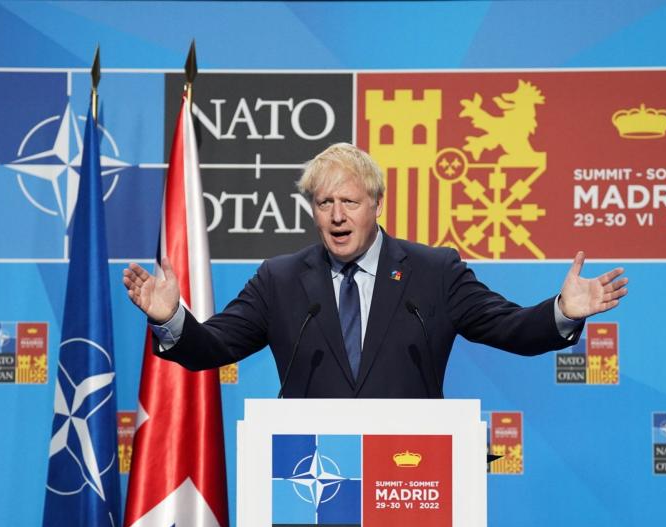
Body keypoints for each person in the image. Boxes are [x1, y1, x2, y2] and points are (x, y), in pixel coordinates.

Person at [122, 143, 627, 398]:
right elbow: (214, 347)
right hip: (308, 483)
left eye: (349, 201)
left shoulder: (434, 272)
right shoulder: (279, 280)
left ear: (377, 205)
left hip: (409, 478)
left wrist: (563, 312)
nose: (337, 215)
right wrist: (171, 319)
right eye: (324, 203)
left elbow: (510, 328)